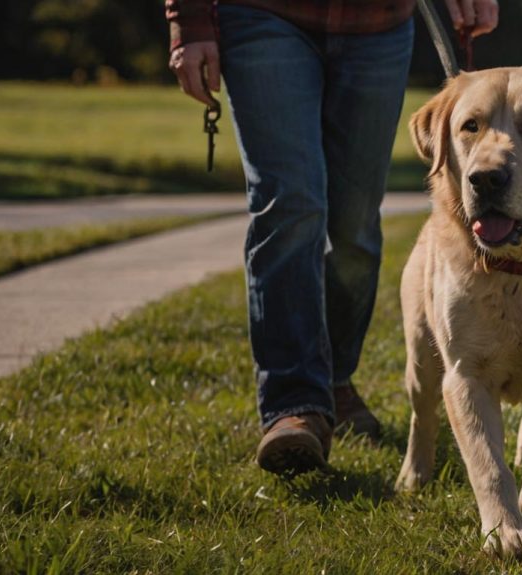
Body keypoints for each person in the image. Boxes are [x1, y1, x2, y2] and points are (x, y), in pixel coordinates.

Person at [165, 0, 499, 476]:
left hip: (379, 24)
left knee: (355, 224)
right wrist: (190, 21)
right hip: (262, 14)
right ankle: (294, 404)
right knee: (290, 205)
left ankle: (335, 381)